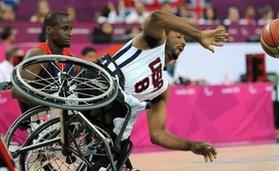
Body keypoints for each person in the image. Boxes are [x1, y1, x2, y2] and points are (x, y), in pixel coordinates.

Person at [100, 10, 227, 163]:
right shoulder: (152, 42)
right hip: (99, 86)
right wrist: (198, 35)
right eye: (178, 36)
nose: (184, 42)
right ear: (164, 36)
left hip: (108, 123)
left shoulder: (162, 88)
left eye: (185, 39)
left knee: (122, 153)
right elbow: (157, 17)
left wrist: (191, 145)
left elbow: (158, 134)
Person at [12, 11, 73, 111]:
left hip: (66, 115)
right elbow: (17, 91)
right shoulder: (38, 55)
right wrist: (50, 104)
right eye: (65, 29)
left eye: (71, 29)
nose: (70, 33)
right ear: (49, 30)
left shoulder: (71, 59)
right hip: (43, 117)